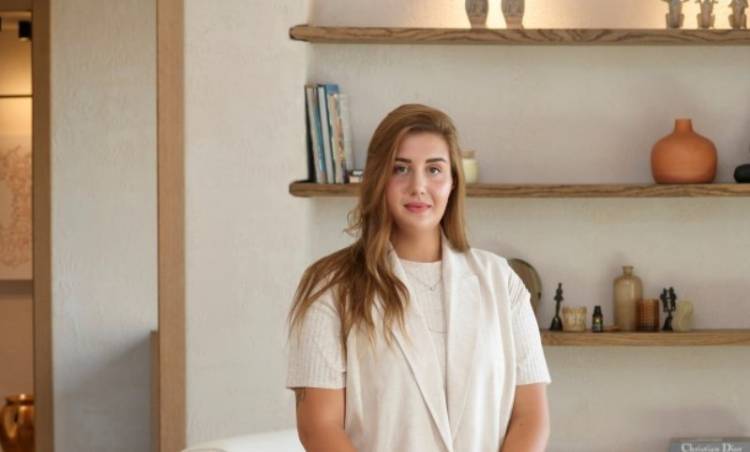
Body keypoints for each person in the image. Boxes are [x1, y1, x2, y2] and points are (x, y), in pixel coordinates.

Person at [286, 104, 551, 452]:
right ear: (378, 180)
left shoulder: (502, 281)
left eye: (434, 169)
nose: (419, 186)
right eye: (401, 169)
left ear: (453, 182)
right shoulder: (330, 288)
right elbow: (319, 427)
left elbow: (530, 417)